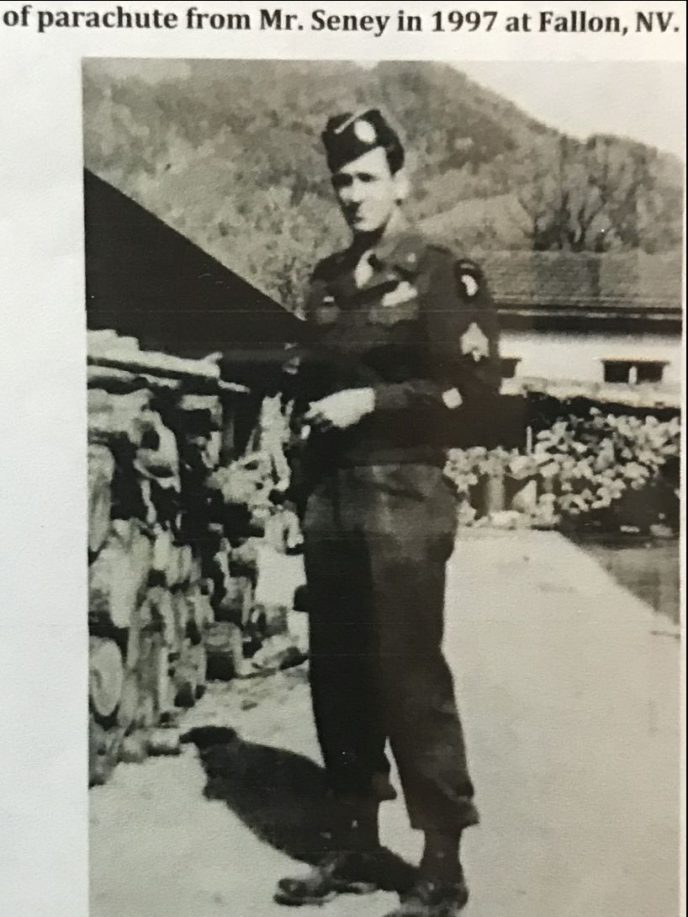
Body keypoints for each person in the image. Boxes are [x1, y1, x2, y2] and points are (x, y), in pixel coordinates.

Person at [275, 108, 501, 916]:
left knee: (408, 671)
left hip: (404, 491)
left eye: (368, 177)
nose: (353, 192)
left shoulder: (443, 271)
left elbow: (474, 394)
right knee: (338, 672)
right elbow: (306, 388)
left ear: (400, 183)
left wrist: (373, 399)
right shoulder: (328, 279)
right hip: (333, 498)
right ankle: (356, 840)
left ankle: (442, 860)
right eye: (342, 179)